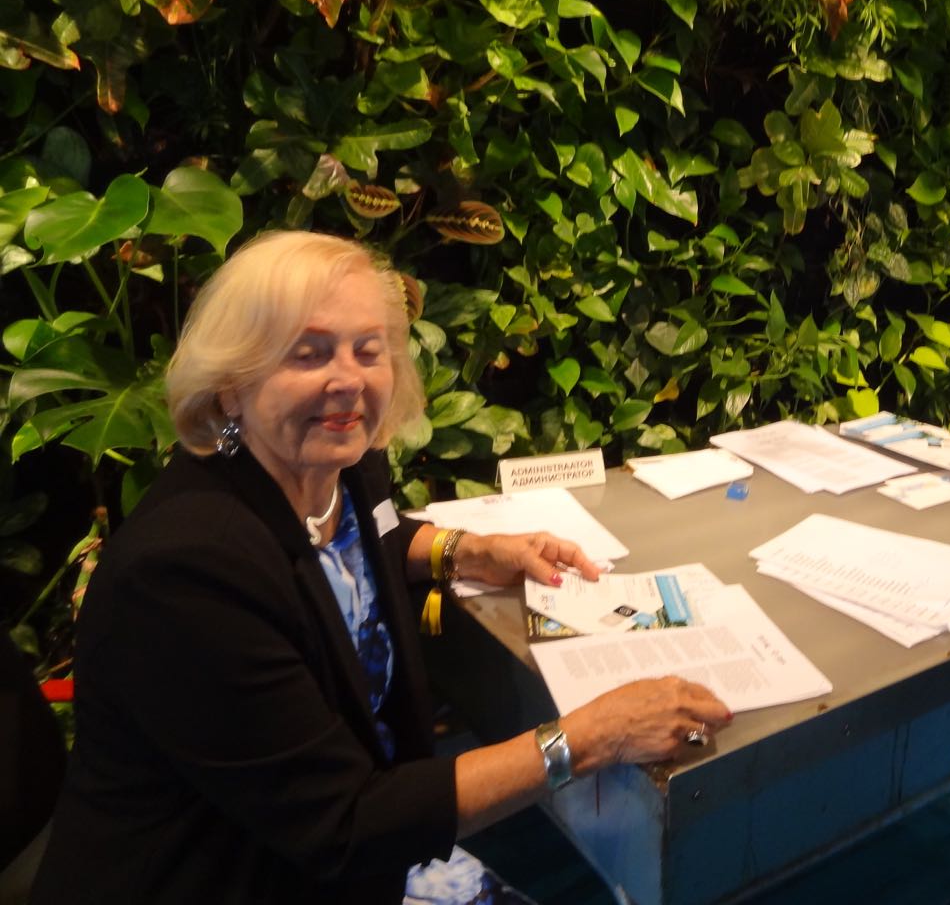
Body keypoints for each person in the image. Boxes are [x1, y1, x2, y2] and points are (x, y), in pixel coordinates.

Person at [33, 231, 731, 905]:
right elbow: (346, 825)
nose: (349, 380)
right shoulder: (187, 574)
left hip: (360, 855)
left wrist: (467, 549)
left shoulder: (340, 467)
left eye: (368, 350)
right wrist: (591, 736)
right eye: (308, 354)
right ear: (229, 388)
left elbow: (354, 547)